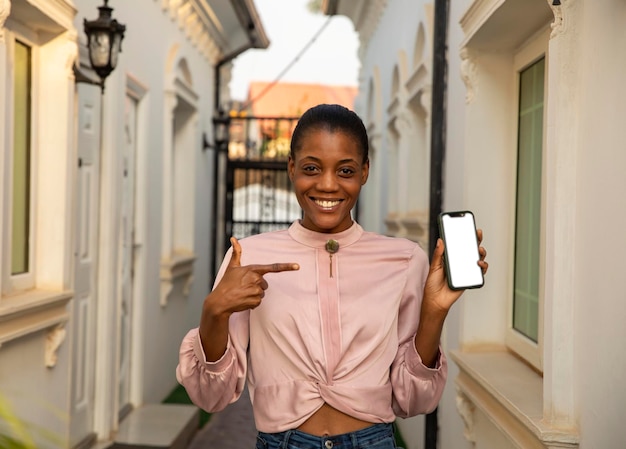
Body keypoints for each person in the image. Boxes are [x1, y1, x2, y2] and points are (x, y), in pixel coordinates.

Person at [176, 103, 488, 449]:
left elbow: (413, 401)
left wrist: (434, 312)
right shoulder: (247, 257)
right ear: (291, 167)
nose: (327, 185)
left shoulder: (404, 260)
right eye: (311, 168)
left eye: (345, 171)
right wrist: (213, 311)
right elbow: (211, 396)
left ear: (364, 171)